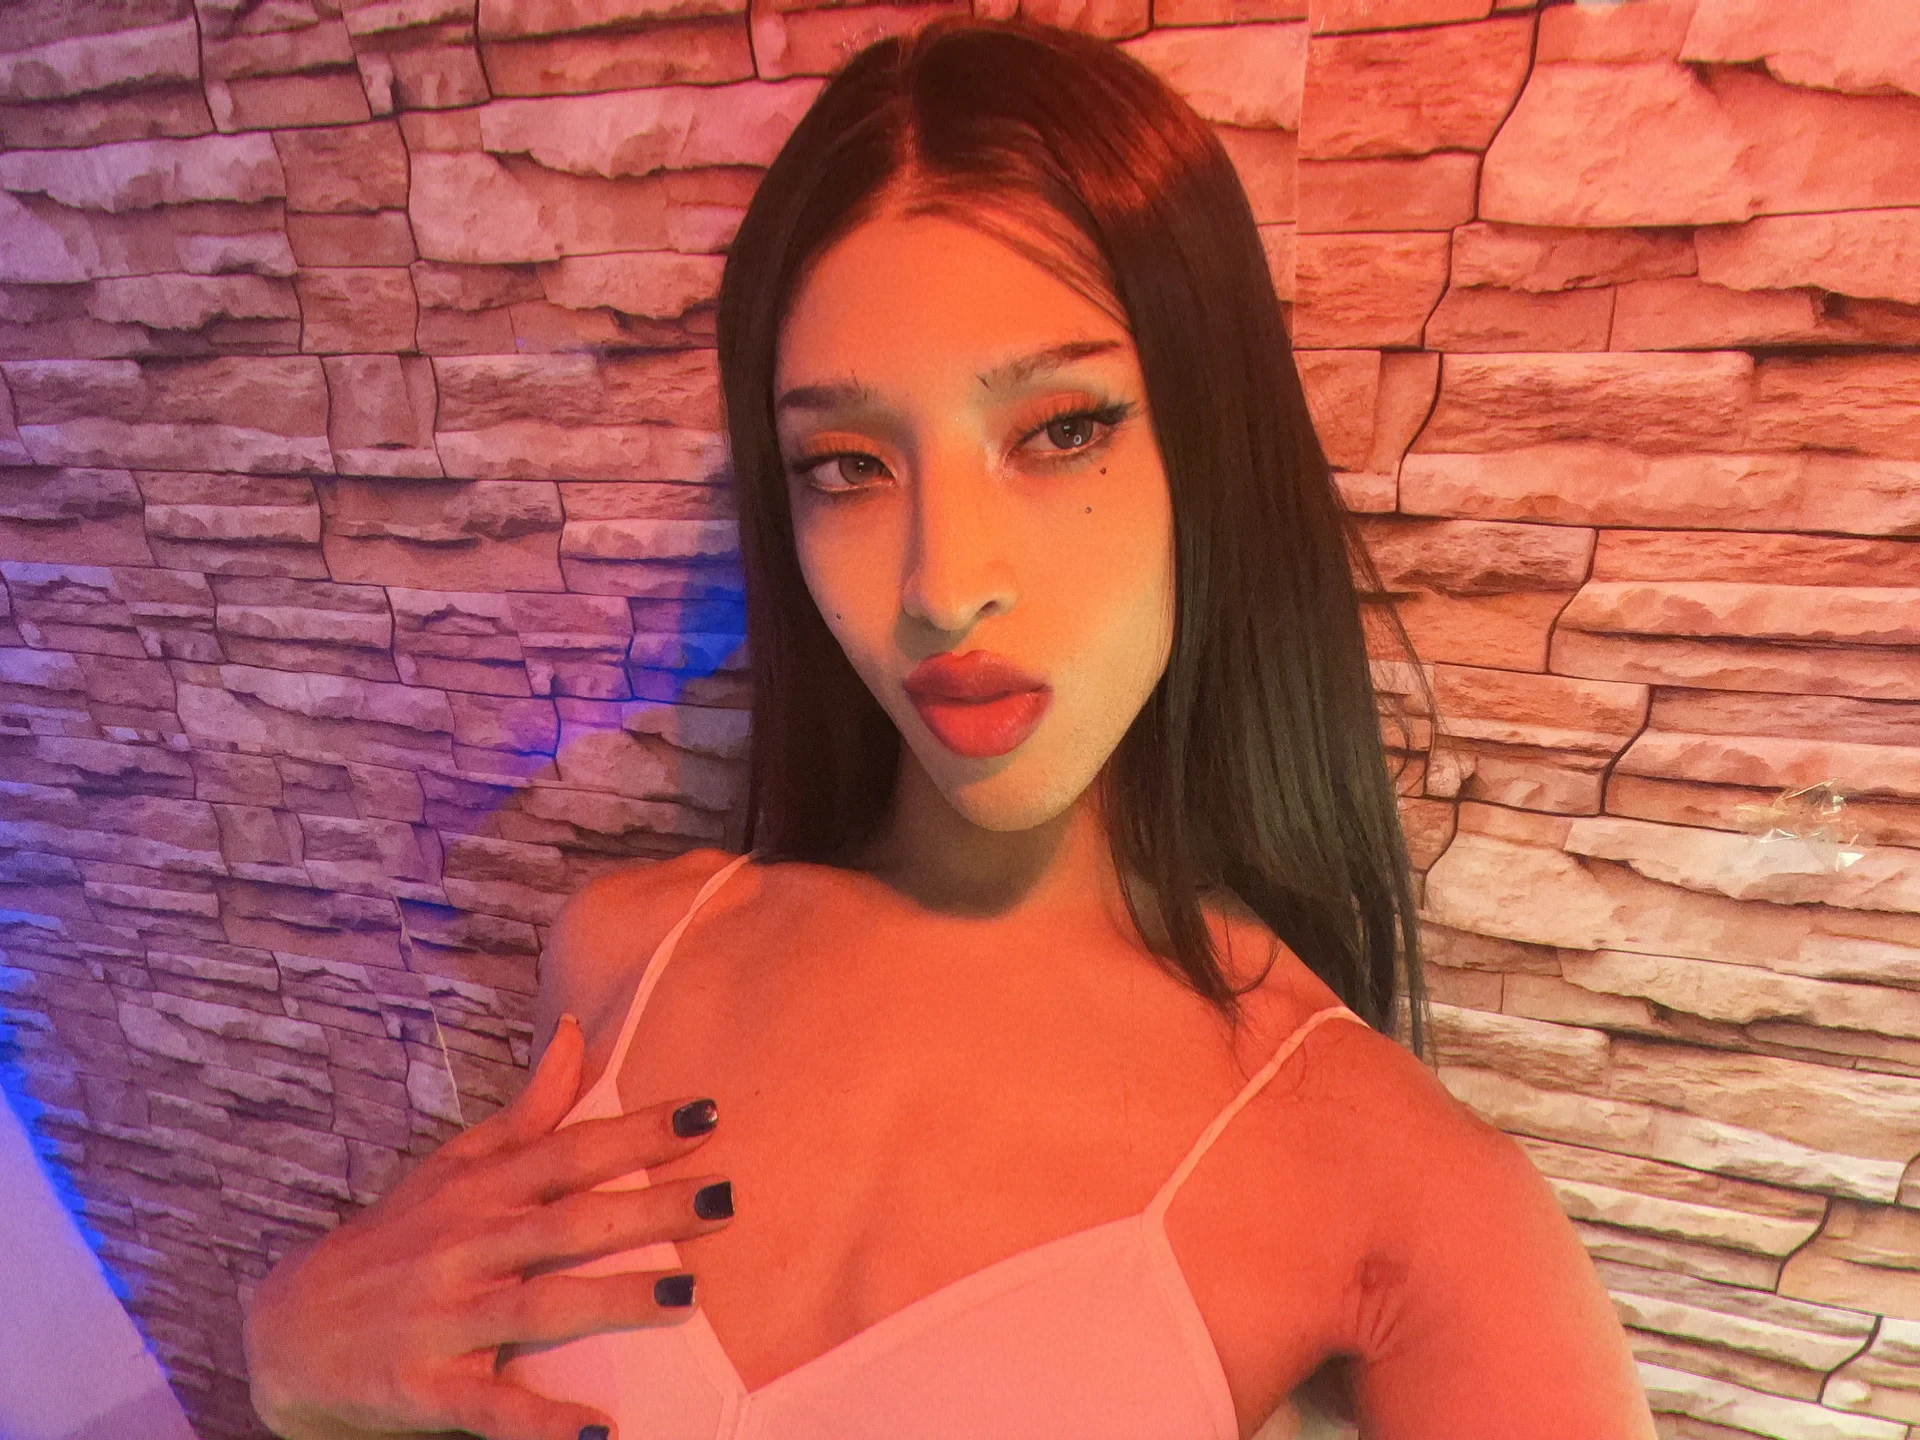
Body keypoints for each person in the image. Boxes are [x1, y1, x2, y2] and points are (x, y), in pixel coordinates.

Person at [241, 15, 1659, 1440]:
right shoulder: (620, 957)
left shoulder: (1406, 1202)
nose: (941, 586)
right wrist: (292, 1361)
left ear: (1211, 444)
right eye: (847, 463)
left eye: (1061, 430)